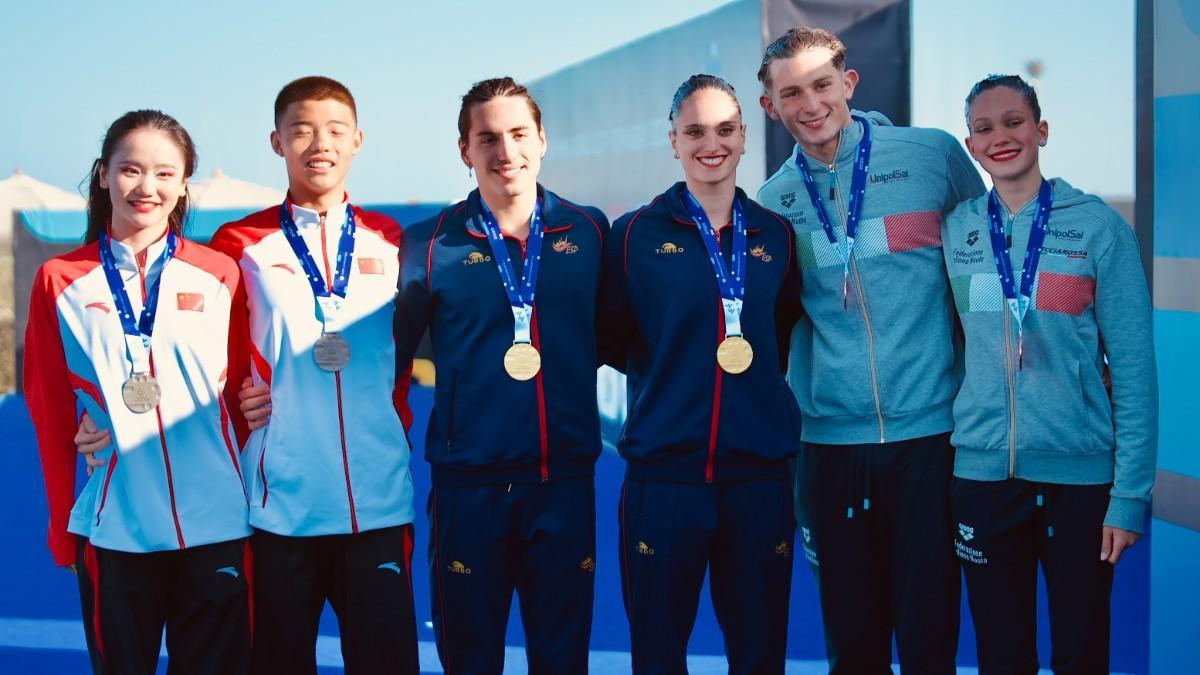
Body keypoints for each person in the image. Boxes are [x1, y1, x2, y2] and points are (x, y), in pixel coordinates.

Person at [755, 26, 986, 673]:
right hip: (830, 449)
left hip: (931, 440)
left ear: (848, 83)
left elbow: (988, 268)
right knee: (853, 647)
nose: (810, 104)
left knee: (929, 641)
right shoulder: (773, 203)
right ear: (771, 105)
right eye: (791, 93)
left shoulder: (932, 157)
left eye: (822, 85)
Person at [24, 110, 252, 674]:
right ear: (103, 174)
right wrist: (61, 528)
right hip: (114, 528)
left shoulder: (220, 274)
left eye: (165, 173)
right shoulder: (59, 279)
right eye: (130, 169)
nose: (147, 187)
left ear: (183, 184)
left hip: (219, 524)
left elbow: (243, 394)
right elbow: (50, 413)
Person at [943, 74, 1156, 674]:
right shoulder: (954, 230)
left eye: (1014, 122)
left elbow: (1135, 372)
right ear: (970, 145)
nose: (1001, 137)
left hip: (1079, 483)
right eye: (984, 128)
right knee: (1001, 656)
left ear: (1041, 130)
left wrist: (1129, 497)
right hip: (982, 478)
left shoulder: (1098, 228)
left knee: (1080, 654)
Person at [206, 76, 419, 674]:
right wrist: (98, 417)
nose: (319, 143)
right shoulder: (238, 243)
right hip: (280, 502)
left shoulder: (394, 241)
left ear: (357, 140)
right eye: (301, 130)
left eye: (334, 130)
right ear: (277, 141)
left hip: (378, 499)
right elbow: (197, 353)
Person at [395, 76, 607, 674]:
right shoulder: (428, 244)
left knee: (562, 660)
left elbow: (622, 337)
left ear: (542, 140)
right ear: (464, 150)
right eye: (487, 138)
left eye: (518, 134)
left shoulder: (589, 231)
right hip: (468, 489)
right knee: (469, 659)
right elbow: (389, 359)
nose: (505, 151)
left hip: (563, 483)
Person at [598, 74, 803, 674]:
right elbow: (609, 337)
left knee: (759, 656)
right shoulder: (634, 234)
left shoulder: (775, 236)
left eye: (724, 130)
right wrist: (676, 385)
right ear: (674, 141)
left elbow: (779, 334)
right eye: (694, 132)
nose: (710, 144)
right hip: (665, 479)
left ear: (744, 137)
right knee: (658, 657)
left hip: (758, 480)